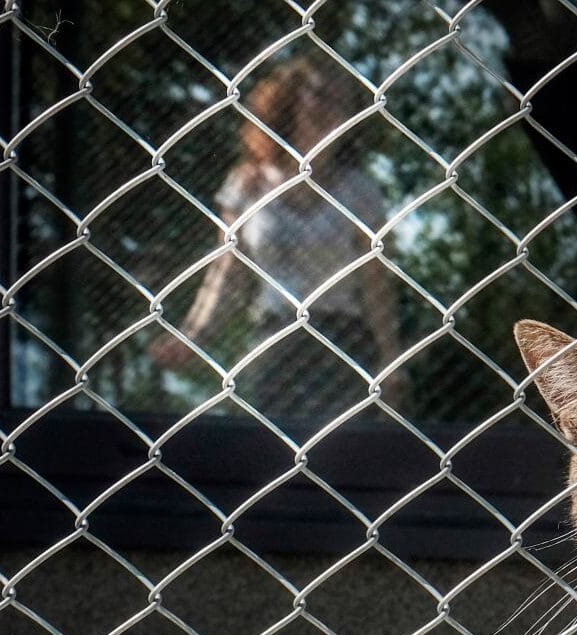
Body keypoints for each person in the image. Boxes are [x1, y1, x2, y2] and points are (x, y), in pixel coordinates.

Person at [150, 58, 405, 418]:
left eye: (340, 100)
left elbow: (376, 282)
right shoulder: (246, 184)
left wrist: (391, 355)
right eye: (318, 93)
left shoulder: (361, 192)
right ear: (292, 100)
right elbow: (227, 274)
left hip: (343, 342)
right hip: (273, 339)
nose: (328, 106)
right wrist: (193, 335)